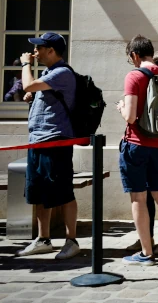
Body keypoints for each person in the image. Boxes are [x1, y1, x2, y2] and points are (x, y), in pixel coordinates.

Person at [117, 35, 158, 265]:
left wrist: (121, 107)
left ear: (135, 55)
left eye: (130, 58)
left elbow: (131, 116)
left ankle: (147, 253)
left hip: (136, 144)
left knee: (138, 197)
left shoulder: (134, 76)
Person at [15, 33, 80, 259]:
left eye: (40, 48)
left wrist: (25, 65)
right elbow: (34, 91)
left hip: (56, 140)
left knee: (63, 192)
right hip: (38, 139)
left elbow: (28, 85)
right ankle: (43, 239)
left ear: (51, 50)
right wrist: (33, 98)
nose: (36, 52)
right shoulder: (48, 74)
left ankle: (71, 241)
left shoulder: (62, 73)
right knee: (40, 192)